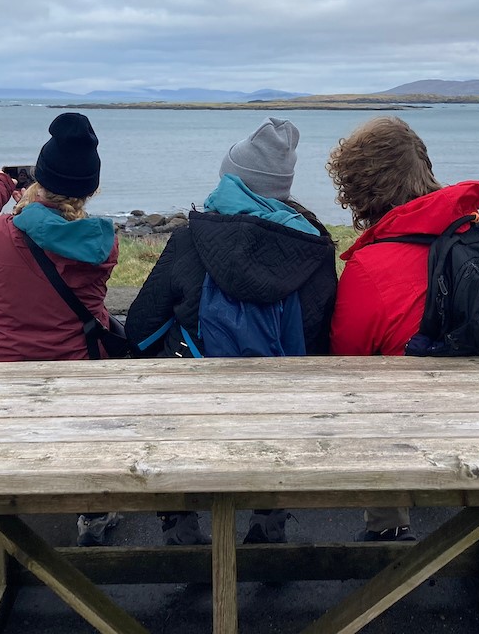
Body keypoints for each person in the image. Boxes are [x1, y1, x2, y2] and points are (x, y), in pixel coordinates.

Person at [126, 117, 338, 546]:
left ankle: (180, 525)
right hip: (286, 411)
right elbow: (321, 337)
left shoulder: (191, 239)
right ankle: (269, 520)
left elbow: (141, 328)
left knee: (167, 389)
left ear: (230, 179)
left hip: (197, 409)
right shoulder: (313, 247)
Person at [0, 111, 122, 546]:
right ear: (92, 188)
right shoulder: (103, 242)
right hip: (77, 379)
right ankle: (95, 513)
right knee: (96, 420)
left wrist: (2, 180)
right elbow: (55, 234)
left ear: (38, 181)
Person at [326, 116, 479, 541]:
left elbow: (348, 357)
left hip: (415, 430)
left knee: (370, 397)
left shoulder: (369, 268)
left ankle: (387, 528)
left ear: (360, 188)